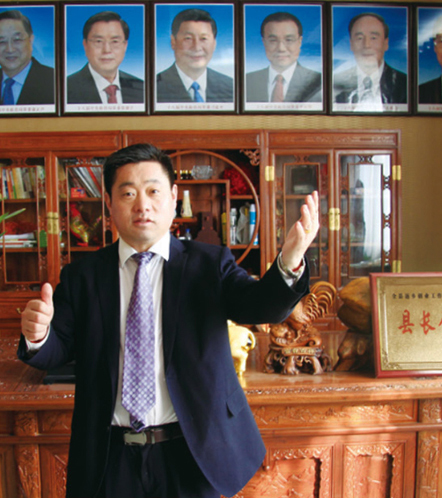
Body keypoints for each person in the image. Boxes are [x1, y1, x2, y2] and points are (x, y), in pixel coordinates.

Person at [18, 143, 319, 498]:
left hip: (191, 453)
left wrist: (289, 261)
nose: (142, 205)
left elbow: (259, 306)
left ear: (174, 198)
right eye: (128, 193)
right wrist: (38, 335)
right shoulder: (84, 276)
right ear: (109, 203)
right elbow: (58, 349)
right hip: (110, 458)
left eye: (153, 191)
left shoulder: (209, 264)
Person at [156, 8, 233, 103]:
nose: (196, 47)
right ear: (173, 42)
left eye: (203, 38)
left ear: (214, 44)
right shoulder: (153, 87)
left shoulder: (231, 86)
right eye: (188, 38)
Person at [67, 11, 144, 105]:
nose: (107, 50)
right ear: (85, 45)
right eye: (98, 41)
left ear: (125, 45)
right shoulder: (65, 88)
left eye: (115, 41)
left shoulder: (141, 88)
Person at [245, 11, 322, 103]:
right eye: (273, 40)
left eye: (289, 40)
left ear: (300, 41)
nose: (281, 48)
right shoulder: (246, 81)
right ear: (264, 42)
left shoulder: (319, 82)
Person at [334, 12, 407, 105]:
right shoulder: (335, 84)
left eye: (373, 38)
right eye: (359, 38)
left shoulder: (405, 83)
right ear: (351, 44)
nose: (366, 45)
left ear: (386, 43)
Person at [0, 9, 54, 105]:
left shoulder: (54, 80)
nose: (10, 49)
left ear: (31, 40)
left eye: (17, 40)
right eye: (2, 41)